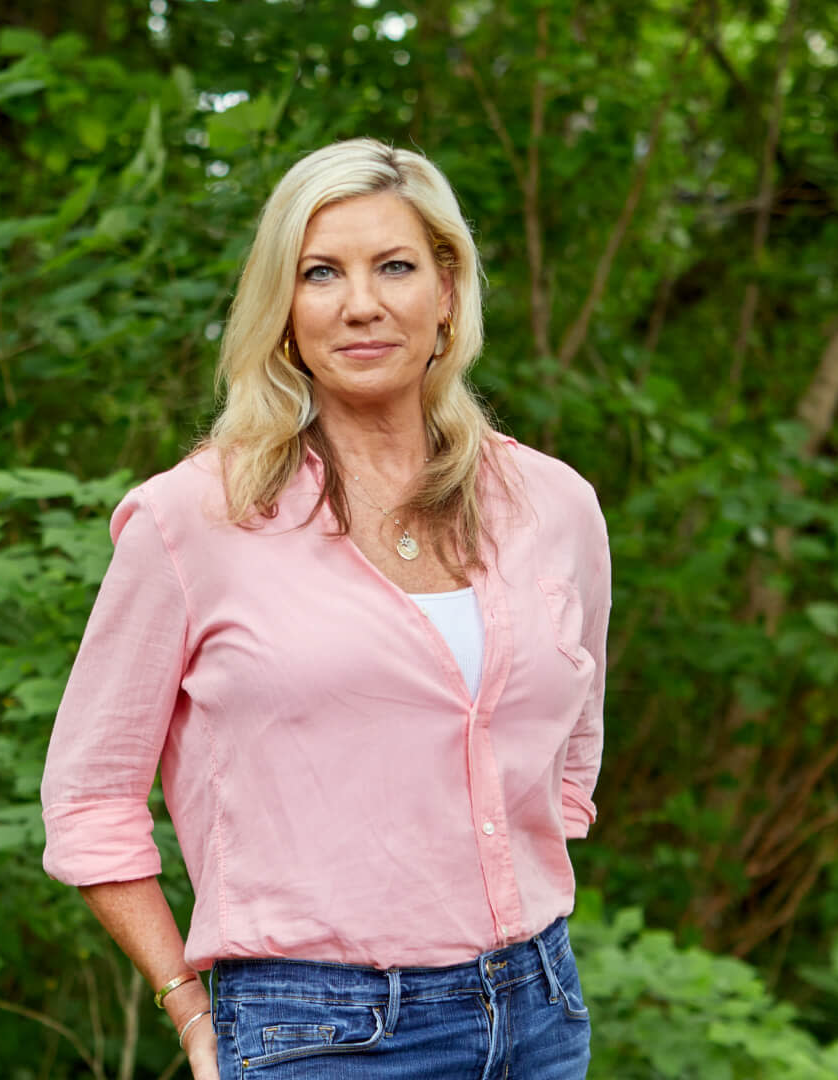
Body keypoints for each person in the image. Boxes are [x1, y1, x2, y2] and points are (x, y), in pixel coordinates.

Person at [38, 137, 611, 1078]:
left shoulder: (552, 506)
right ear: (284, 313)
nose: (361, 303)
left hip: (540, 1010)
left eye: (394, 266)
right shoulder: (194, 520)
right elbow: (89, 798)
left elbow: (571, 750)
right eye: (320, 274)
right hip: (323, 1033)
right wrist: (187, 1007)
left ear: (447, 294)